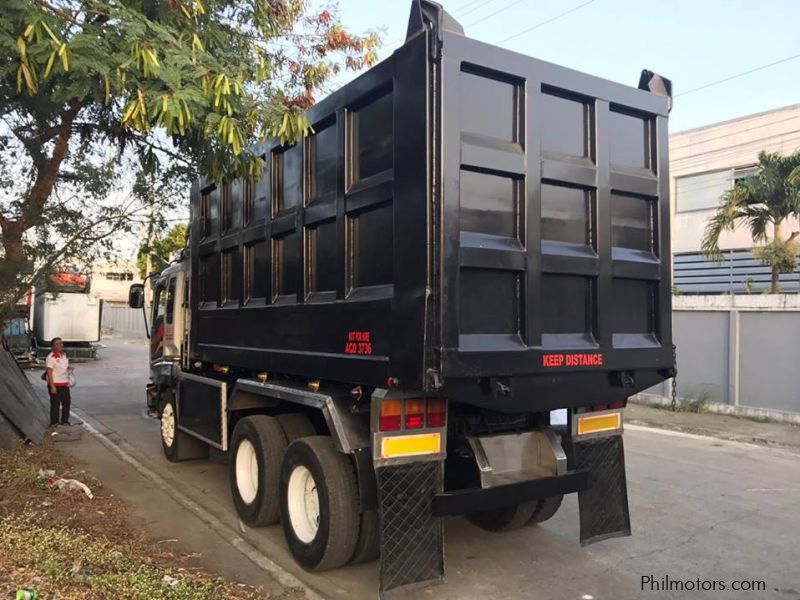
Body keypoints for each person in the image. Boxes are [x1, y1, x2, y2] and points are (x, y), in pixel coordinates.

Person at [45, 337, 72, 426]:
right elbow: (49, 372)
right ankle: (54, 422)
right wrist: (52, 386)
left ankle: (64, 421)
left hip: (65, 383)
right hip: (55, 384)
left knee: (66, 403)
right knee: (55, 405)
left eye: (60, 343)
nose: (59, 345)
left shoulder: (63, 355)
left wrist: (69, 370)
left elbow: (64, 368)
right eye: (56, 344)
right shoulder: (50, 357)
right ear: (53, 346)